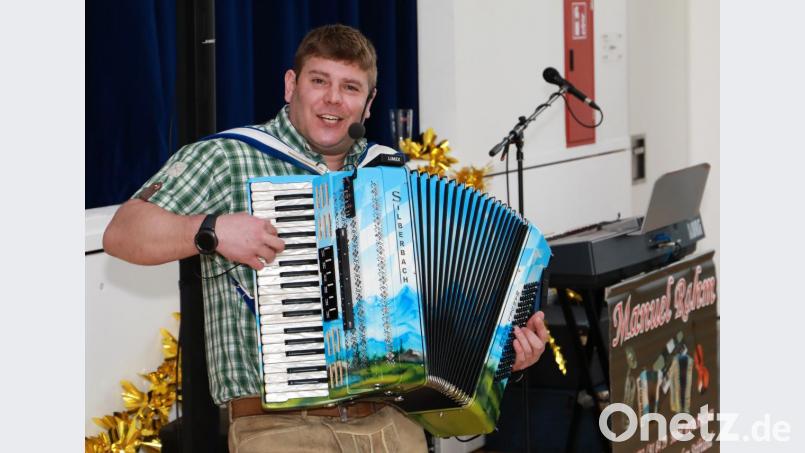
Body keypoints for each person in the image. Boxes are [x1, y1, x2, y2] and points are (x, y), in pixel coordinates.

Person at [103, 24, 550, 453]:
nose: (333, 99)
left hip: (393, 424)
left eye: (351, 88)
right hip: (279, 428)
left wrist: (502, 355)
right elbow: (123, 233)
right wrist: (211, 230)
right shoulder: (229, 157)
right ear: (290, 85)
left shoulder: (391, 174)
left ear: (369, 103)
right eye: (319, 81)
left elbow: (446, 313)